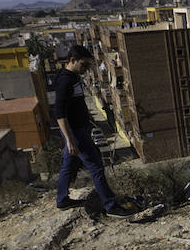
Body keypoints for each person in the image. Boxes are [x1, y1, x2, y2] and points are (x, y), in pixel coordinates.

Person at [54, 45, 132, 217]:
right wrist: (70, 139)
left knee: (69, 163)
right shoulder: (64, 81)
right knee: (96, 168)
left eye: (89, 66)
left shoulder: (73, 77)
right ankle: (111, 206)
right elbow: (60, 114)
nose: (86, 69)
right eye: (84, 65)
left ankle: (62, 200)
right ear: (72, 60)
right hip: (76, 132)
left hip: (80, 129)